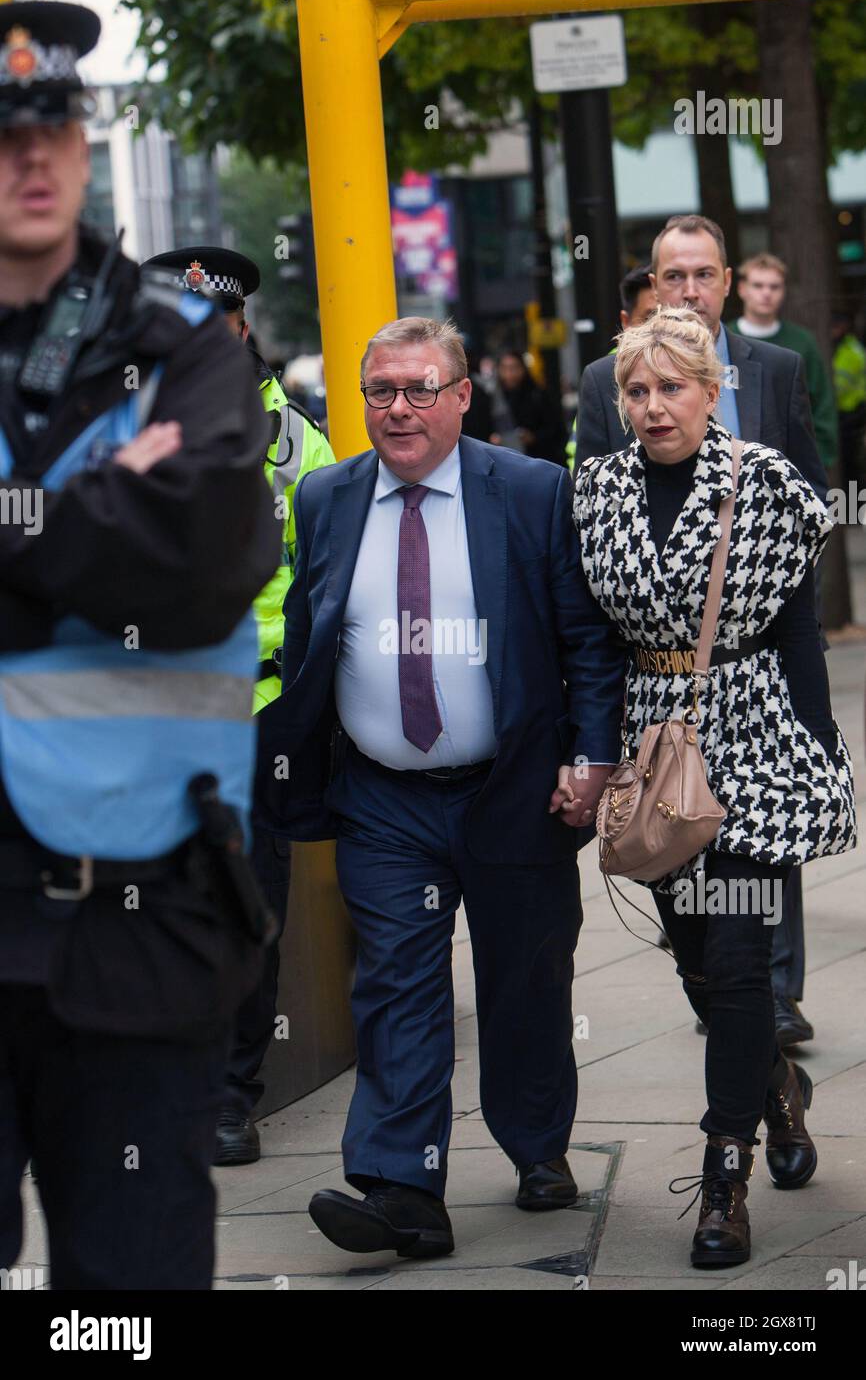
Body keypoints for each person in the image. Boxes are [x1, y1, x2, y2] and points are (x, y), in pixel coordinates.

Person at [0, 1, 281, 1289]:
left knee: (127, 1304)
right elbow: (131, 546)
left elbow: (208, 550)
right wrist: (90, 515)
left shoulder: (178, 342)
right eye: (2, 136)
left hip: (135, 914)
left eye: (52, 123)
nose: (31, 157)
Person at [256, 316, 627, 1259]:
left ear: (463, 396)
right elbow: (309, 629)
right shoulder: (329, 496)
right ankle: (400, 1186)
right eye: (380, 390)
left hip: (513, 788)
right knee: (395, 988)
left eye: (422, 387)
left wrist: (591, 758)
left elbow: (585, 637)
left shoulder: (534, 491)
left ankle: (538, 1144)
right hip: (382, 796)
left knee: (527, 978)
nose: (399, 408)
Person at [573, 307, 856, 1269]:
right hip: (653, 753)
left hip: (753, 738)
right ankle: (775, 1085)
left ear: (713, 389)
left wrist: (820, 755)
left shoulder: (764, 483)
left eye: (673, 388)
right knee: (696, 963)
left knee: (739, 967)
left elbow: (795, 631)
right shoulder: (598, 490)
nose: (654, 408)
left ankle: (723, 1175)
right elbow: (596, 640)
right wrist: (590, 755)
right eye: (638, 391)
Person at [574, 214, 828, 1051]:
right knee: (691, 919)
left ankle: (770, 1004)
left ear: (726, 280)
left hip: (751, 678)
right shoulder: (603, 386)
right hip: (656, 693)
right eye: (670, 275)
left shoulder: (780, 369)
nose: (687, 288)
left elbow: (807, 538)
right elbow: (594, 558)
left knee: (754, 893)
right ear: (652, 283)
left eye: (702, 274)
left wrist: (807, 704)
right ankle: (753, 1045)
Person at [145, 245, 336, 1165]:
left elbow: (331, 587)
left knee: (246, 904)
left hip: (257, 708)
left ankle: (230, 1095)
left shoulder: (302, 442)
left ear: (240, 329)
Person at [730, 252, 838, 473]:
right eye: (758, 285)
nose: (766, 293)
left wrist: (820, 458)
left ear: (783, 291)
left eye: (774, 286)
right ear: (742, 289)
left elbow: (822, 402)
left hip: (794, 464)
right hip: (734, 464)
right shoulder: (724, 338)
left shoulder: (802, 341)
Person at [565, 262, 656, 474]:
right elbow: (583, 468)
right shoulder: (602, 378)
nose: (659, 328)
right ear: (626, 322)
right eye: (649, 318)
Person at [490, 349, 567, 465]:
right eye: (504, 368)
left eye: (514, 368)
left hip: (538, 461)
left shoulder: (538, 396)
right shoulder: (494, 398)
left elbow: (556, 430)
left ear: (523, 369)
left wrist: (533, 437)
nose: (509, 374)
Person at [831, 311, 866, 489]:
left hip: (851, 415)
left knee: (850, 465)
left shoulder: (850, 351)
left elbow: (840, 387)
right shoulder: (840, 347)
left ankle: (853, 509)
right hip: (843, 414)